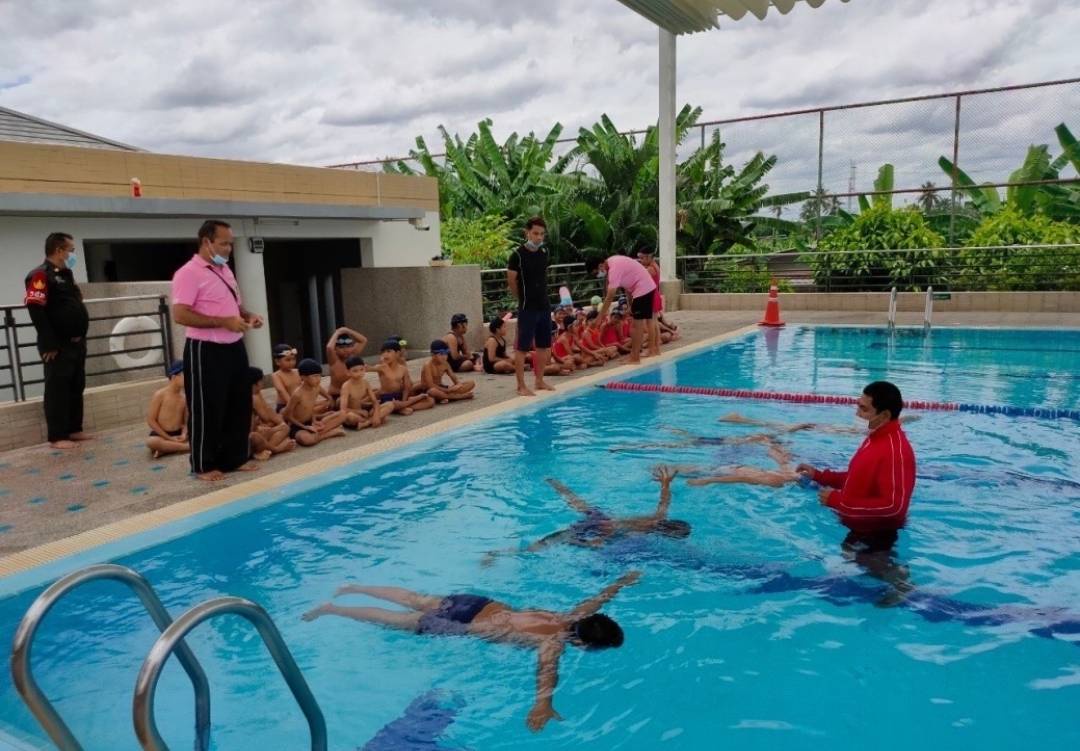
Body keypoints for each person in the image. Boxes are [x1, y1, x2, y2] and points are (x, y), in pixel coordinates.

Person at [302, 571, 642, 732]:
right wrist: (543, 705)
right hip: (462, 627)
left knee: (413, 598)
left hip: (477, 604)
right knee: (398, 621)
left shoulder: (572, 616)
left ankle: (353, 586)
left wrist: (620, 583)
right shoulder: (553, 644)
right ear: (583, 644)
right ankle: (333, 609)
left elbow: (599, 599)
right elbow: (546, 674)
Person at [795, 381, 917, 604]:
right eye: (858, 406)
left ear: (885, 414)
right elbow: (856, 477)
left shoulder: (895, 450)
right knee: (851, 555)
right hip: (860, 523)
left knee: (867, 562)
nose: (857, 413)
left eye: (864, 409)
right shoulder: (875, 439)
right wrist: (820, 476)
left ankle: (900, 581)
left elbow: (895, 507)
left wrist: (838, 501)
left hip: (877, 529)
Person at [171, 220, 264, 481]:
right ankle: (203, 463)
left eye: (230, 244)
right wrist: (224, 322)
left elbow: (234, 308)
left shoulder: (225, 271)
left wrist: (248, 316)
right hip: (206, 349)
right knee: (207, 407)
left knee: (238, 403)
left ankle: (235, 458)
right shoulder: (188, 273)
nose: (228, 249)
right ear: (206, 242)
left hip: (233, 346)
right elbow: (180, 314)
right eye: (223, 243)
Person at [485, 467, 688, 563]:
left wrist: (666, 483)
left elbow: (664, 501)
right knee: (536, 548)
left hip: (602, 519)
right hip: (596, 528)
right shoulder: (642, 534)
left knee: (579, 503)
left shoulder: (659, 518)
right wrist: (587, 544)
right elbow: (605, 537)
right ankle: (495, 554)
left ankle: (556, 484)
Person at [24, 232, 93, 449]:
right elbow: (36, 309)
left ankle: (74, 429)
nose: (73, 254)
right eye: (71, 250)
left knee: (76, 384)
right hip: (58, 344)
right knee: (58, 388)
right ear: (59, 250)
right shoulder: (39, 275)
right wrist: (48, 343)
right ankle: (58, 435)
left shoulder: (66, 273)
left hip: (76, 341)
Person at [506, 216, 555, 396]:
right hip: (528, 307)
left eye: (542, 234)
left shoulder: (543, 253)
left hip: (544, 305)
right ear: (527, 232)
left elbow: (543, 279)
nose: (539, 237)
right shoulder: (517, 255)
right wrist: (521, 298)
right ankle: (520, 386)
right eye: (535, 233)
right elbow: (511, 281)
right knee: (522, 348)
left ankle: (539, 380)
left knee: (544, 346)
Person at [585, 253, 657, 364]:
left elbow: (610, 296)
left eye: (596, 273)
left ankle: (635, 358)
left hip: (643, 289)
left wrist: (599, 318)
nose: (598, 275)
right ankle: (645, 352)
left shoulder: (614, 269)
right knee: (641, 323)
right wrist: (630, 305)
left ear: (600, 265)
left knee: (635, 326)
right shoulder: (613, 263)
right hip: (645, 287)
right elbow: (627, 286)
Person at [282, 358, 347, 446]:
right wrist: (304, 427)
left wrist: (314, 421)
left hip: (311, 422)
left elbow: (312, 406)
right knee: (308, 440)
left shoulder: (316, 388)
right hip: (297, 426)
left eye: (319, 375)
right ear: (303, 377)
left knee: (343, 414)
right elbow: (286, 415)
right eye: (314, 376)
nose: (318, 379)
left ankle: (318, 433)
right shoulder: (297, 394)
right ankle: (328, 434)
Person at [374, 340, 434, 415]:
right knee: (392, 404)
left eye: (388, 351)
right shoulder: (381, 367)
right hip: (388, 398)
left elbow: (407, 387)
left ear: (397, 353)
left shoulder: (402, 368)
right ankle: (405, 405)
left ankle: (402, 407)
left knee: (430, 401)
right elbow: (367, 368)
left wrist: (403, 400)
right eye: (383, 352)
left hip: (400, 396)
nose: (385, 355)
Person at [248, 366, 296, 459]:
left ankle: (267, 448)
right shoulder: (253, 397)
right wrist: (276, 426)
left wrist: (277, 422)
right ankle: (272, 449)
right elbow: (265, 417)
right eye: (262, 381)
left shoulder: (256, 393)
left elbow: (267, 412)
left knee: (282, 428)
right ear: (257, 383)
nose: (262, 383)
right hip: (250, 437)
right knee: (283, 429)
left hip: (256, 430)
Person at [145, 360, 189, 459]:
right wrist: (169, 438)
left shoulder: (184, 397)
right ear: (174, 377)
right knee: (151, 442)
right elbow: (151, 420)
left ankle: (166, 449)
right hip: (162, 434)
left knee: (200, 433)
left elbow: (185, 422)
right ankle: (187, 447)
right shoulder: (160, 395)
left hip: (178, 433)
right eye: (185, 375)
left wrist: (184, 433)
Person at [339, 355, 393, 429]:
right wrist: (358, 411)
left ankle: (367, 423)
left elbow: (374, 402)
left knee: (390, 404)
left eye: (362, 369)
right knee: (350, 417)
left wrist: (376, 415)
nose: (359, 373)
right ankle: (372, 420)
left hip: (365, 413)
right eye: (355, 371)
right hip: (354, 414)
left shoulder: (365, 383)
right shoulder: (346, 386)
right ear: (348, 372)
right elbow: (343, 409)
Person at [326, 326, 369, 404]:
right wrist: (337, 332)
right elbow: (329, 347)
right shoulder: (334, 360)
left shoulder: (353, 354)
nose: (346, 350)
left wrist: (349, 331)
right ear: (335, 349)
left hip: (353, 394)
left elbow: (363, 340)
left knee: (376, 392)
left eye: (348, 347)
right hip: (337, 396)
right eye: (341, 347)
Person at [636, 248, 663, 357]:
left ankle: (652, 349)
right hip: (654, 294)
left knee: (650, 323)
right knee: (654, 323)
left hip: (651, 295)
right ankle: (656, 348)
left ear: (648, 257)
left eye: (642, 258)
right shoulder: (655, 265)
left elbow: (639, 276)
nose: (640, 260)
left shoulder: (651, 269)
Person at [271, 343, 301, 411]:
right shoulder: (276, 375)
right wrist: (294, 406)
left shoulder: (298, 371)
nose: (292, 362)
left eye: (293, 359)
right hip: (285, 406)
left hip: (299, 403)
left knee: (323, 404)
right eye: (288, 360)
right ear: (277, 361)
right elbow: (282, 391)